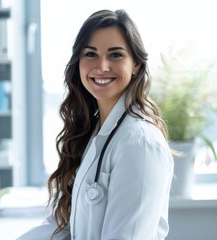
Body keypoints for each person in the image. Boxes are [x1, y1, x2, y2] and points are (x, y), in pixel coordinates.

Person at [18, 9, 174, 240]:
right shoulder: (92, 133)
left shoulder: (138, 143)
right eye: (90, 54)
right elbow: (60, 226)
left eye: (116, 55)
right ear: (78, 63)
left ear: (136, 66)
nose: (101, 66)